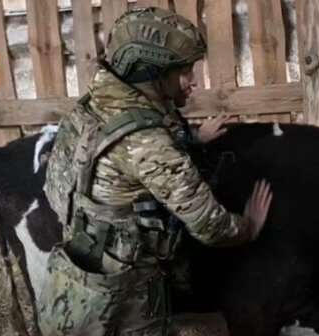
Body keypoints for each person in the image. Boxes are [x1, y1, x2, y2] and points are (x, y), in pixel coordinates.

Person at [38, 7, 273, 336]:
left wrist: (190, 138)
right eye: (186, 71)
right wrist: (247, 227)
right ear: (151, 73)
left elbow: (117, 152)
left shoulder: (93, 106)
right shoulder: (148, 141)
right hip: (127, 290)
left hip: (80, 261)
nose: (193, 82)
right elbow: (209, 226)